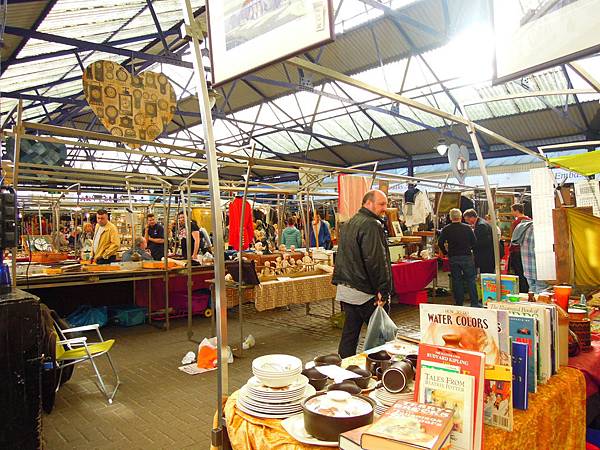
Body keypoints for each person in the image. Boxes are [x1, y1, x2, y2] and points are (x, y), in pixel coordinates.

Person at [332, 190, 393, 358]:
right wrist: (383, 289)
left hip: (348, 288)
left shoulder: (349, 223)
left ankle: (344, 369)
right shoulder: (371, 224)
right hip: (365, 291)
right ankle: (380, 370)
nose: (385, 208)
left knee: (349, 335)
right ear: (368, 203)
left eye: (385, 204)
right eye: (381, 204)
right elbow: (375, 260)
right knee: (381, 337)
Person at [438, 208, 480, 307]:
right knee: (471, 279)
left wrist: (445, 252)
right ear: (460, 217)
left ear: (450, 217)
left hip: (453, 257)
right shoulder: (467, 228)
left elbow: (440, 242)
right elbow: (474, 242)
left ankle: (459, 302)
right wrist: (469, 248)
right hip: (466, 256)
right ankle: (474, 302)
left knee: (456, 280)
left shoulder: (446, 229)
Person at [511, 218, 547, 293]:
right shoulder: (541, 229)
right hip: (540, 269)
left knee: (532, 290)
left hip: (527, 268)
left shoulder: (524, 227)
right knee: (542, 291)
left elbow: (515, 243)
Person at [463, 209, 495, 274]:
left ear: (472, 217)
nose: (467, 222)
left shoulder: (481, 225)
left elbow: (482, 242)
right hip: (486, 255)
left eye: (467, 220)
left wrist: (470, 246)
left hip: (485, 256)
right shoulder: (481, 222)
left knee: (486, 274)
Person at [509, 204, 531, 293]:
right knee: (526, 272)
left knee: (519, 272)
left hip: (517, 251)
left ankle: (522, 291)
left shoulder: (517, 223)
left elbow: (514, 238)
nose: (511, 213)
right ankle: (527, 289)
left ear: (516, 211)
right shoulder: (529, 220)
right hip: (527, 250)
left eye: (512, 210)